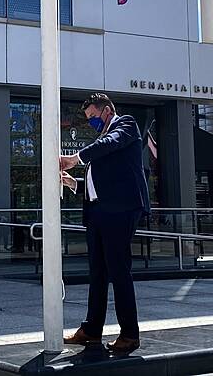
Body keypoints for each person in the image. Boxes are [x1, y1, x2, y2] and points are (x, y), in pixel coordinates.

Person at [59, 93, 150, 354]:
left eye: (93, 118)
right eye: (88, 120)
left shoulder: (126, 125)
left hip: (120, 211)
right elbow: (100, 184)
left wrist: (74, 159)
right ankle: (91, 329)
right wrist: (73, 183)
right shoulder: (101, 140)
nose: (91, 124)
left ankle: (130, 334)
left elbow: (110, 144)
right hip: (99, 212)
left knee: (119, 271)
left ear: (107, 110)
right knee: (97, 272)